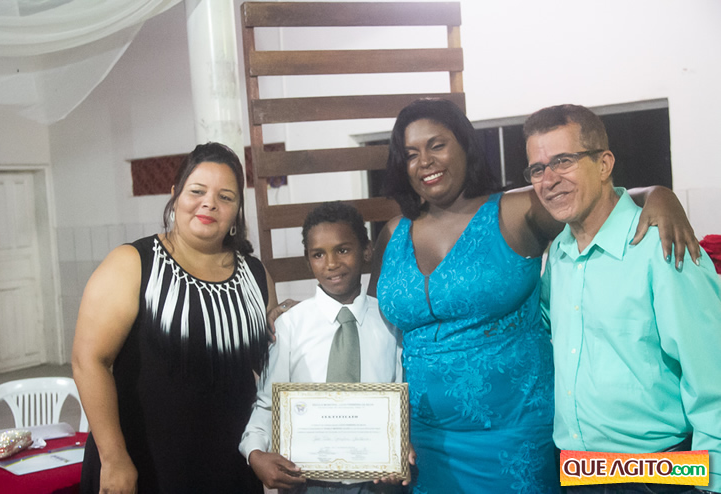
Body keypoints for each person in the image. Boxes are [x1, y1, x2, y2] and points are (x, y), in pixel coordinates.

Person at [368, 98, 699, 494]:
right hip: (423, 443)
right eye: (410, 154)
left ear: (464, 146)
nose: (425, 161)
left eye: (437, 145)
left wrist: (658, 195)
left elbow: (592, 201)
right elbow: (375, 335)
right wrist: (382, 426)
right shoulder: (393, 234)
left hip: (517, 435)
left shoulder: (515, 210)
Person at [527, 104, 721, 493]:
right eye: (537, 168)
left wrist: (712, 480)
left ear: (604, 164)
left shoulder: (661, 247)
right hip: (577, 472)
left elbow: (712, 377)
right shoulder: (559, 254)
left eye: (563, 161)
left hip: (659, 475)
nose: (549, 179)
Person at [72, 142, 276, 494]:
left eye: (225, 197)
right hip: (144, 464)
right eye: (197, 191)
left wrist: (293, 322)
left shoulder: (254, 275)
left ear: (237, 210)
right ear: (175, 195)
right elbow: (89, 361)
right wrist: (114, 458)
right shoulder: (133, 264)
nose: (209, 203)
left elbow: (270, 366)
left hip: (228, 467)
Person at [240, 201, 405, 493]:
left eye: (343, 250)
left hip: (377, 484)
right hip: (306, 483)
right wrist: (255, 454)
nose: (331, 264)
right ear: (308, 261)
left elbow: (401, 399)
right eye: (318, 254)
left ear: (367, 251)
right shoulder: (290, 326)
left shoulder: (390, 323)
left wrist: (399, 448)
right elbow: (267, 404)